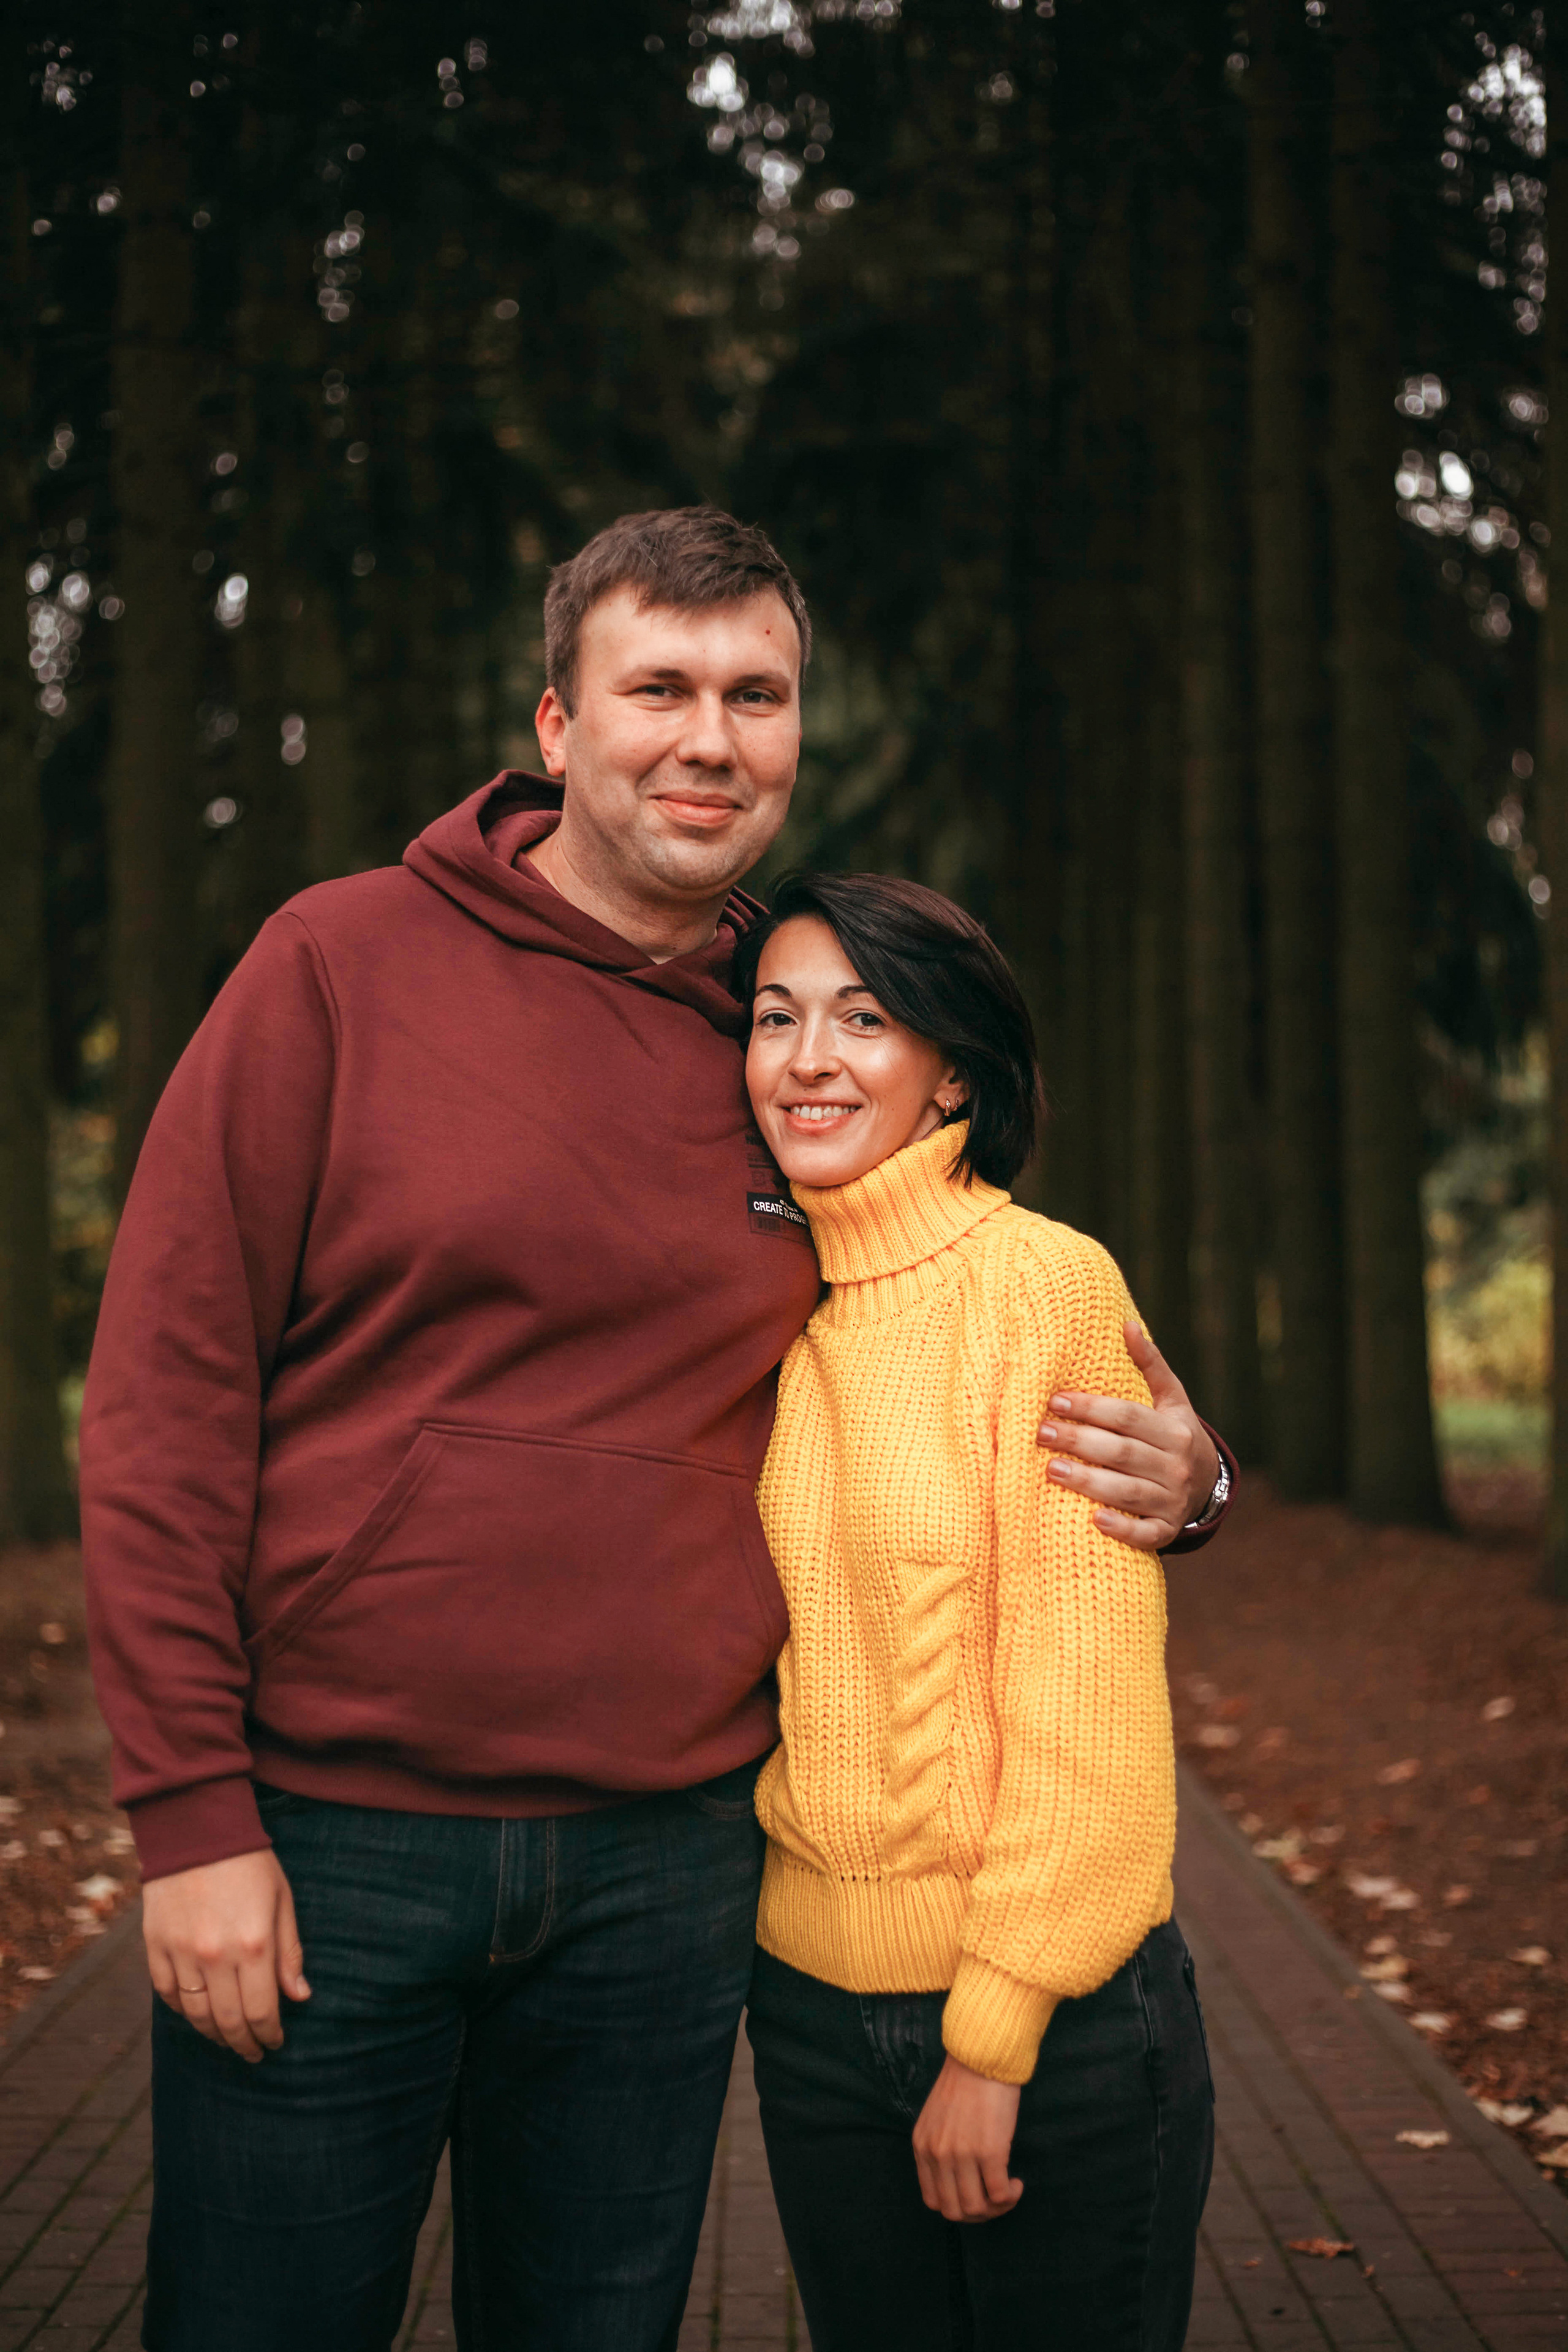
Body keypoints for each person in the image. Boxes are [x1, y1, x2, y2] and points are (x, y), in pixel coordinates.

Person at [79, 507, 1231, 2352]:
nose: (710, 736)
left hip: (672, 1873)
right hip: (329, 1846)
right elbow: (163, 1406)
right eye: (660, 688)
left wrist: (1198, 1481)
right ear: (555, 726)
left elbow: (1002, 1315)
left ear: (795, 732)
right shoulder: (336, 966)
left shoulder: (800, 1035)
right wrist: (188, 1815)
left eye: (755, 695)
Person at [734, 870, 1213, 2352]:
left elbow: (1086, 1712)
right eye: (773, 1017)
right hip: (806, 2014)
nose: (808, 1059)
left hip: (1046, 2030)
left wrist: (992, 2038)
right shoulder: (752, 1291)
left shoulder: (1041, 1288)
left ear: (954, 1071)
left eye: (862, 1021)